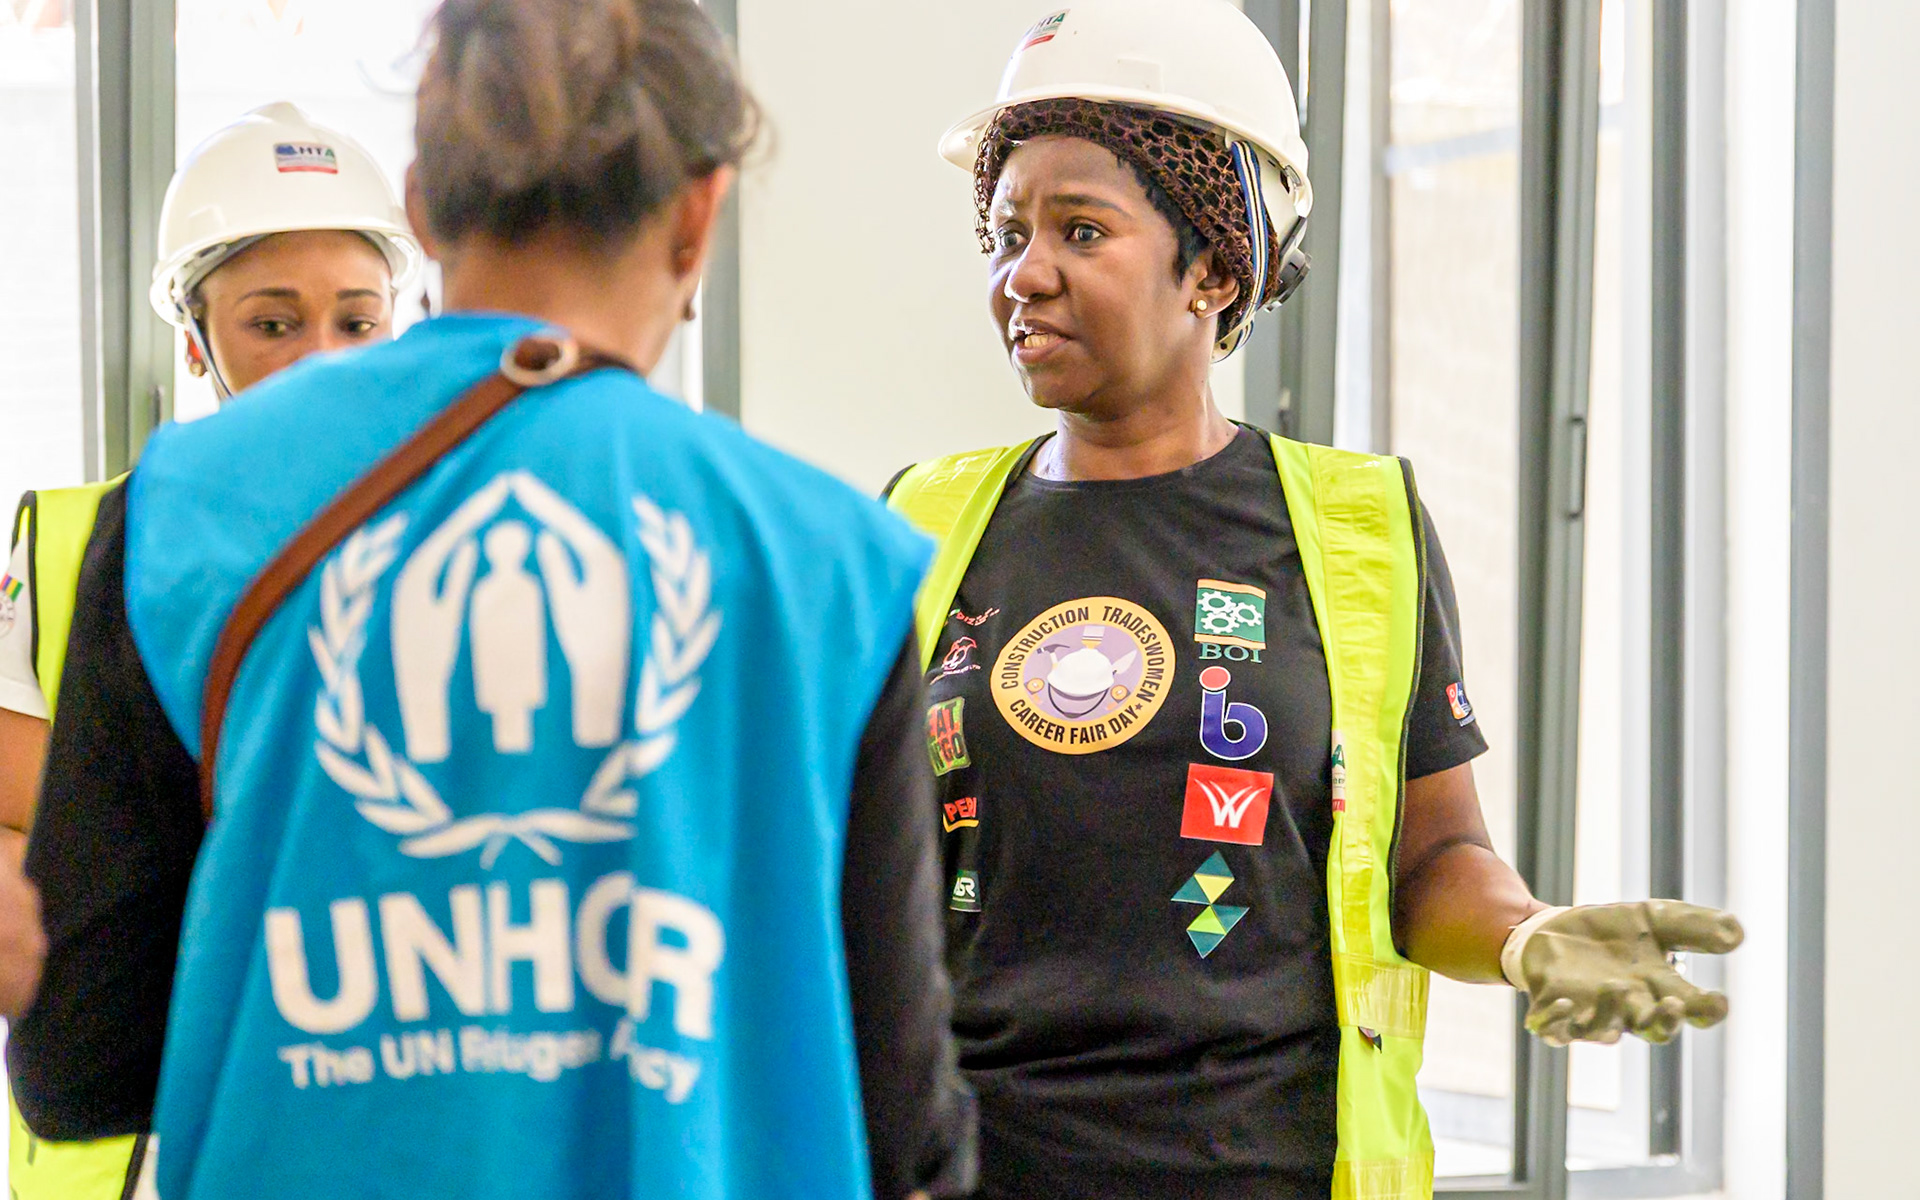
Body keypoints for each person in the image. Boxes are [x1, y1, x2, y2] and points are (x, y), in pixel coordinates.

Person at [21, 1, 975, 1197]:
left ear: (421, 208)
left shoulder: (183, 512)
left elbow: (78, 1064)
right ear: (699, 214)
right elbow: (901, 1121)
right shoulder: (831, 558)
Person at [883, 2, 1742, 1197]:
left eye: (1081, 229)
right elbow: (850, 875)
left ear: (1217, 267)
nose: (1023, 273)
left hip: (1263, 1170)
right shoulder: (918, 525)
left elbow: (1434, 852)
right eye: (1004, 229)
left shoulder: (1356, 529)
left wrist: (1524, 936)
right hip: (971, 1169)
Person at [0, 100, 421, 1200]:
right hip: (142, 1126)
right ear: (194, 337)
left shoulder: (462, 542)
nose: (320, 360)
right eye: (271, 325)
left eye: (357, 322)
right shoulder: (87, 536)